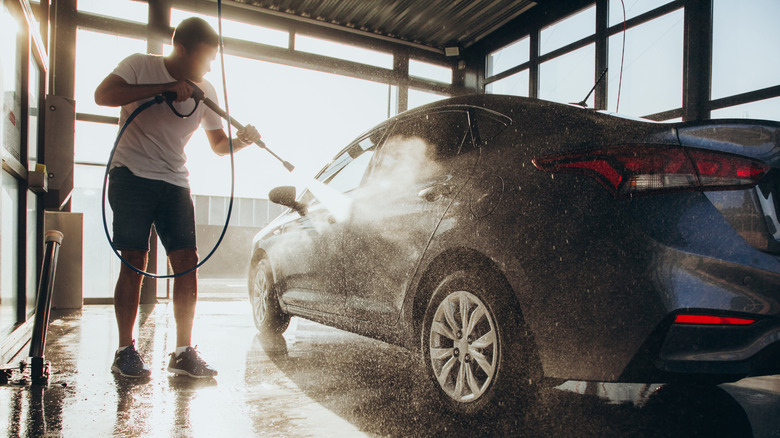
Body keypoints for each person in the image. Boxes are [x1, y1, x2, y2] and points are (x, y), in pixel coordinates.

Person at [94, 17, 260, 378]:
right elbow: (103, 95)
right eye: (205, 58)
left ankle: (183, 353)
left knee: (187, 260)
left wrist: (241, 142)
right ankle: (125, 351)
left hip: (175, 181)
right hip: (131, 174)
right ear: (181, 50)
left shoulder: (206, 90)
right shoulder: (139, 65)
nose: (209, 66)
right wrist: (166, 87)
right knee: (135, 258)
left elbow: (218, 145)